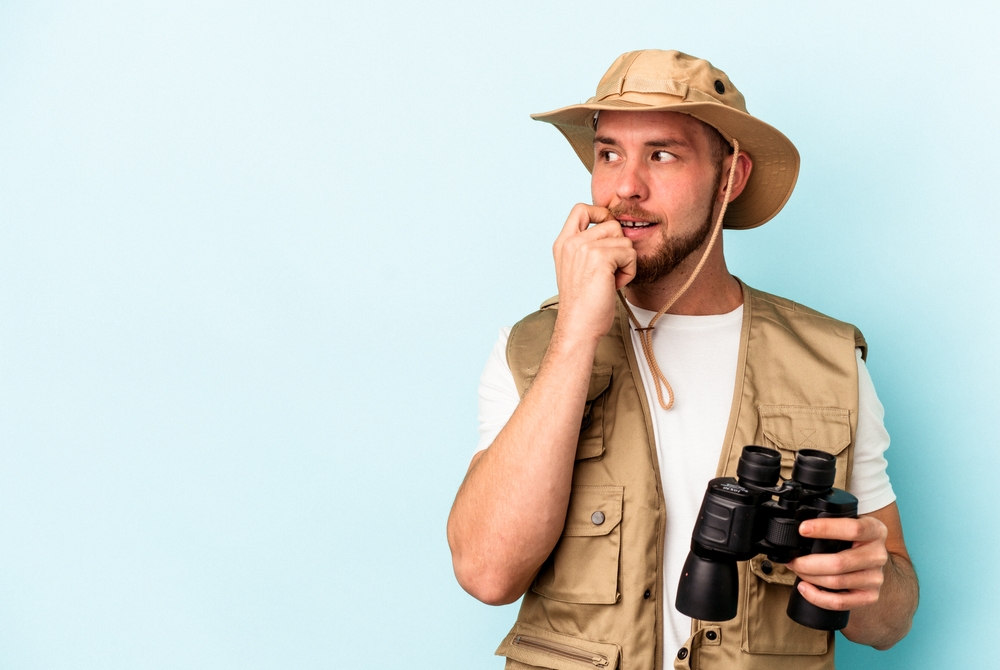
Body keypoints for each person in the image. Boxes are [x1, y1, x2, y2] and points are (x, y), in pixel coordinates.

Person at [447, 50, 918, 670]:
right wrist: (577, 334)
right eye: (609, 153)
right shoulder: (533, 348)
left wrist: (868, 581)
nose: (625, 187)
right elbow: (487, 572)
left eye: (662, 154)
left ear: (731, 178)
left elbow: (890, 621)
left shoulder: (830, 361)